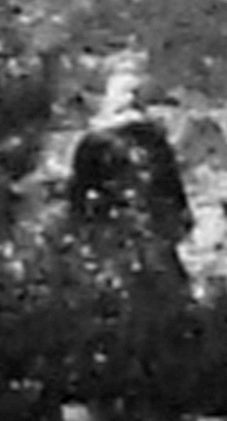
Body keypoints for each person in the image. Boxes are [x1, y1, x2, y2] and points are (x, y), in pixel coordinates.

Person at [67, 54, 194, 286]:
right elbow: (172, 187)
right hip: (146, 233)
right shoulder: (150, 138)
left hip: (122, 235)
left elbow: (79, 199)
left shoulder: (99, 141)